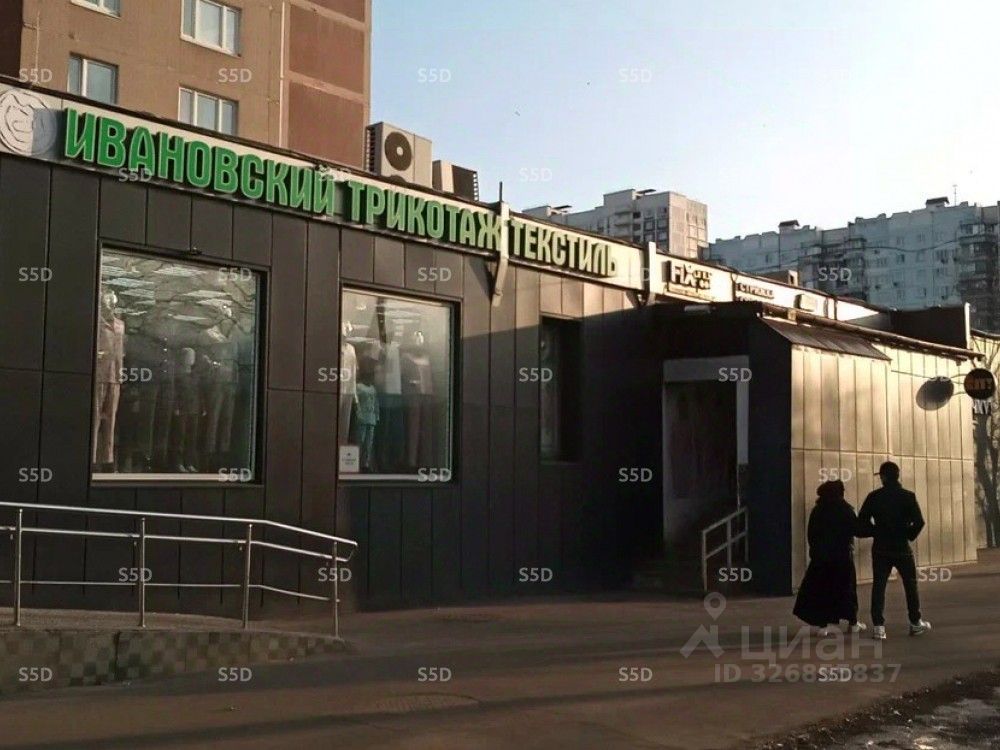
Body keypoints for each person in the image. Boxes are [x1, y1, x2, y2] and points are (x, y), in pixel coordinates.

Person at [858, 461, 932, 639]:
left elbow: (862, 522)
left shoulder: (874, 497)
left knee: (879, 586)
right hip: (901, 547)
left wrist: (876, 531)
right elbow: (919, 522)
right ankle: (915, 622)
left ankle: (879, 627)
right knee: (910, 585)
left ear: (883, 477)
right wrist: (907, 534)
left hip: (881, 548)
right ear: (897, 476)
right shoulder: (908, 496)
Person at [793, 480, 865, 635]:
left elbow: (811, 534)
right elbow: (857, 530)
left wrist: (816, 552)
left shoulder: (818, 511)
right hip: (842, 558)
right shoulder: (845, 510)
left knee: (823, 591)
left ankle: (823, 626)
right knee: (847, 591)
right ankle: (852, 623)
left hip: (822, 559)